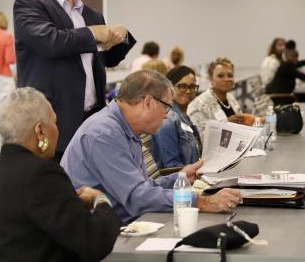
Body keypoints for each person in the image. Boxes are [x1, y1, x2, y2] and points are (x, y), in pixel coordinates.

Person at [61, 70, 241, 223]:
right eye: (167, 107)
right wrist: (202, 202)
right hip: (101, 234)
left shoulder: (125, 127)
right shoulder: (104, 134)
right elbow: (138, 197)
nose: (165, 116)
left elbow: (142, 186)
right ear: (148, 102)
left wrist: (181, 177)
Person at [14, 0, 135, 160]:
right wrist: (93, 33)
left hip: (91, 120)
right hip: (51, 125)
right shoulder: (29, 5)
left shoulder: (91, 15)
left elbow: (106, 59)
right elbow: (50, 42)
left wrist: (121, 35)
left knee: (86, 191)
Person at [0, 87, 121, 261]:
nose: (57, 130)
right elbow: (96, 243)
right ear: (40, 131)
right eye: (54, 122)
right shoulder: (40, 174)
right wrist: (100, 200)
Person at [187, 57, 254, 139]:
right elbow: (199, 139)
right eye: (220, 76)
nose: (226, 79)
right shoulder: (198, 106)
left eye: (230, 75)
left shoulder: (230, 98)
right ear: (211, 78)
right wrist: (226, 124)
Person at [151, 66, 202, 168]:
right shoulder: (166, 120)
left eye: (192, 87)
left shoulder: (183, 115)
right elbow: (171, 166)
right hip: (181, 181)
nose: (188, 91)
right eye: (182, 86)